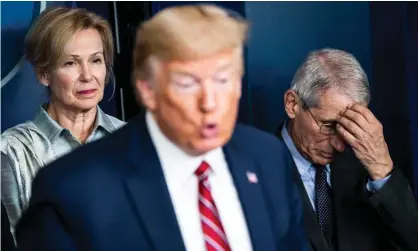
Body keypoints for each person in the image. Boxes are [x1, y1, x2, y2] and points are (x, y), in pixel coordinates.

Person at [15, 4, 310, 251]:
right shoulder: (71, 189)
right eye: (187, 83)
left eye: (223, 79)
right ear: (146, 89)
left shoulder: (267, 158)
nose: (209, 103)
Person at [276, 48, 418, 251]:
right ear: (292, 104)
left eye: (349, 127)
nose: (340, 145)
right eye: (328, 126)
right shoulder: (256, 168)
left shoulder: (366, 166)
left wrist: (382, 168)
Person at [1, 7, 125, 235]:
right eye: (71, 63)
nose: (88, 76)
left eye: (96, 60)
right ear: (43, 74)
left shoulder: (133, 141)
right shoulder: (11, 151)